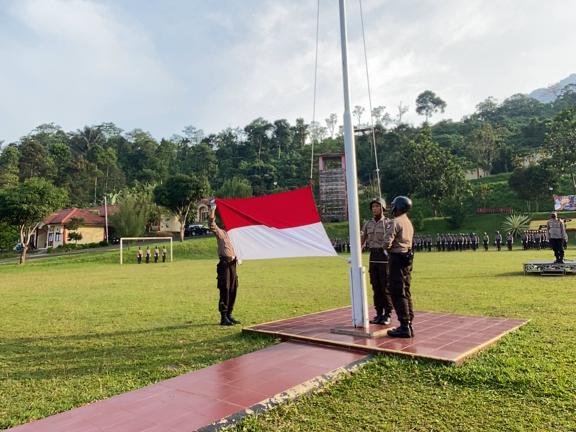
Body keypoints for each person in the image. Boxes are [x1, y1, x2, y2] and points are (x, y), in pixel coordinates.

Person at [383, 196, 415, 338]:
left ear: (399, 207)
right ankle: (409, 323)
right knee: (405, 290)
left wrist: (386, 248)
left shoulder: (395, 222)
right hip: (407, 259)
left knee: (397, 291)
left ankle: (404, 325)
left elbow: (386, 243)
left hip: (396, 258)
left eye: (394, 205)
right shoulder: (408, 222)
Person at [361, 198, 393, 325]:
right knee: (375, 286)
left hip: (384, 256)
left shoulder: (388, 223)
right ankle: (379, 313)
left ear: (383, 208)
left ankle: (387, 314)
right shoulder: (367, 224)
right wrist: (357, 252)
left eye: (377, 206)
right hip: (373, 256)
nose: (374, 209)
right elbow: (362, 240)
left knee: (385, 286)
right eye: (373, 206)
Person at [209, 199, 240, 326]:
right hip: (224, 264)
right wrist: (213, 209)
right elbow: (211, 224)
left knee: (233, 288)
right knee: (225, 288)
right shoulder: (221, 233)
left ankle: (230, 314)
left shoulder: (234, 236)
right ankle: (223, 316)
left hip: (233, 264)